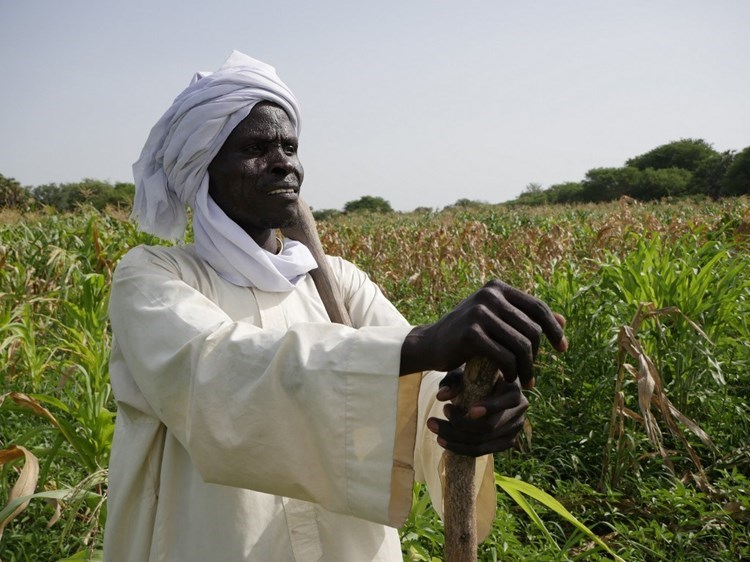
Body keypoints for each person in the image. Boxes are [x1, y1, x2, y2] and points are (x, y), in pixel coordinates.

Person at [104, 51, 567, 562]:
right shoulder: (152, 277)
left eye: (290, 146)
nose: (283, 162)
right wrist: (424, 344)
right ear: (201, 168)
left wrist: (470, 408)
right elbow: (216, 375)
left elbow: (418, 385)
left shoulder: (336, 281)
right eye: (255, 148)